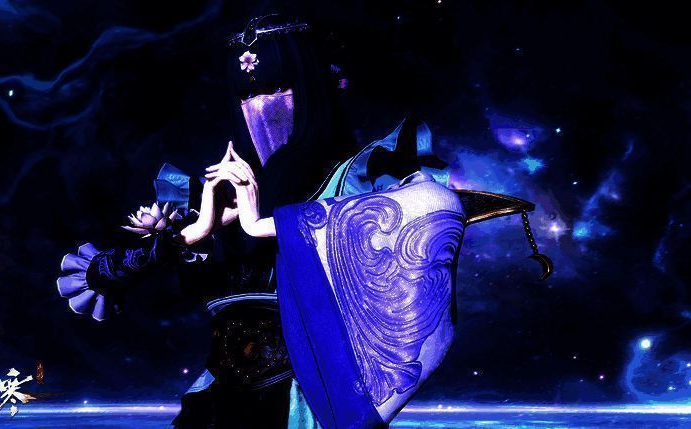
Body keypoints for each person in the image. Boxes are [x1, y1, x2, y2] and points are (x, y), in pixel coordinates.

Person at [56, 15, 551, 429]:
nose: (260, 109)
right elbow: (97, 279)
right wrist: (197, 229)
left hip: (305, 403)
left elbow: (430, 209)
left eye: (277, 89)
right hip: (215, 406)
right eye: (246, 96)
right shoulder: (219, 193)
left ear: (313, 88)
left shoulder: (359, 177)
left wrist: (268, 224)